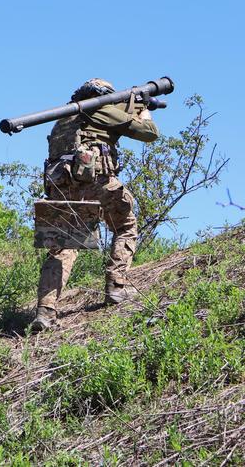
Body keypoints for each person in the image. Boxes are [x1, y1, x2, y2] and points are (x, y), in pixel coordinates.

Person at [32, 78, 159, 332]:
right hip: (95, 181)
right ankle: (117, 287)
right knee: (125, 225)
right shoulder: (99, 108)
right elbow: (149, 133)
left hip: (62, 186)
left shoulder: (65, 119)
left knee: (64, 247)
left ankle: (45, 314)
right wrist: (143, 110)